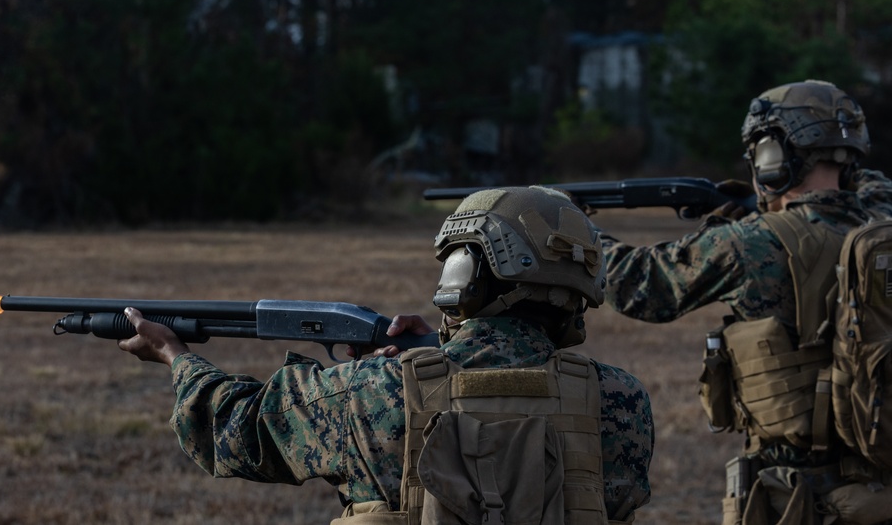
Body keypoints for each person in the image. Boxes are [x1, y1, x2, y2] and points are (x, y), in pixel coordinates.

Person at [118, 185, 654, 524]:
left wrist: (175, 356)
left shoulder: (370, 391)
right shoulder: (621, 401)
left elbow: (231, 430)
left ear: (462, 279)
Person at [599, 80, 892, 524]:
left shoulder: (751, 243)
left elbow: (640, 287)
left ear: (774, 158)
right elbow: (871, 187)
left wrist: (571, 229)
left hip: (796, 500)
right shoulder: (881, 224)